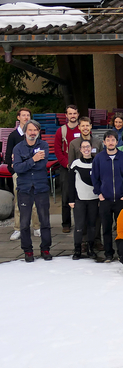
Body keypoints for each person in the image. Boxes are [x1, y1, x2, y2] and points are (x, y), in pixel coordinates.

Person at [13, 119, 52, 261]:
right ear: (25, 131)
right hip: (24, 188)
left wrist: (27, 162)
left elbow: (42, 166)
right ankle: (28, 251)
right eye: (30, 130)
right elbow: (17, 168)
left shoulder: (44, 145)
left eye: (35, 130)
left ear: (39, 132)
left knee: (45, 221)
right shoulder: (18, 148)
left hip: (40, 187)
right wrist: (33, 159)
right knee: (24, 223)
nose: (33, 132)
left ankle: (45, 249)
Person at [93, 130, 123, 263]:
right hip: (105, 199)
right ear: (104, 142)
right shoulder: (99, 158)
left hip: (121, 199)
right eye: (108, 140)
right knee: (106, 228)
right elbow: (95, 177)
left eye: (113, 140)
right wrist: (99, 193)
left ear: (117, 142)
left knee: (122, 228)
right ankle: (108, 253)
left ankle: (122, 252)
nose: (111, 142)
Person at [6, 108, 40, 242]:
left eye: (28, 115)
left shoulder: (35, 134)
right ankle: (18, 229)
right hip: (19, 174)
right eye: (23, 115)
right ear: (18, 117)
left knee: (35, 201)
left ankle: (37, 227)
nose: (26, 117)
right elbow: (8, 157)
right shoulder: (13, 136)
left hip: (33, 173)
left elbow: (40, 154)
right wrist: (13, 171)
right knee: (19, 202)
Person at [69, 140, 99, 260]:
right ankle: (77, 249)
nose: (86, 149)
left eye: (88, 147)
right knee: (79, 226)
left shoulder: (97, 162)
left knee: (92, 225)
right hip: (79, 199)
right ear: (80, 150)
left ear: (91, 148)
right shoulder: (75, 164)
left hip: (94, 199)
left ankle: (91, 249)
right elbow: (70, 183)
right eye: (83, 147)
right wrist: (71, 200)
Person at [55, 104, 80, 233]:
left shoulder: (83, 129)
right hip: (66, 167)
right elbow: (57, 150)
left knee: (80, 195)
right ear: (66, 115)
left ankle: (81, 222)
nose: (72, 116)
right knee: (66, 195)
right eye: (70, 113)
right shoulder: (61, 131)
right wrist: (66, 164)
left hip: (81, 167)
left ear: (78, 114)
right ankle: (66, 223)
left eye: (74, 113)